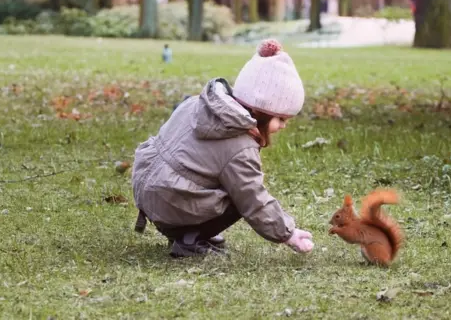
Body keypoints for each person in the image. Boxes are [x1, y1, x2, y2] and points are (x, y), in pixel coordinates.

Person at [131, 39, 314, 258]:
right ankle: (190, 238)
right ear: (261, 111)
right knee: (239, 192)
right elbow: (253, 197)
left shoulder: (198, 103)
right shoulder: (238, 145)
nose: (283, 126)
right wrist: (288, 233)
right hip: (170, 202)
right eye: (281, 118)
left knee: (227, 181)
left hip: (149, 191)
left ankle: (189, 230)